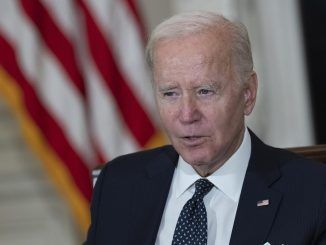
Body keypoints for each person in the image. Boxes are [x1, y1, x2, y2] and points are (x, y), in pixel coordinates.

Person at [85, 11, 326, 245]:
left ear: (248, 94)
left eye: (205, 91)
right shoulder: (118, 184)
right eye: (170, 93)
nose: (187, 114)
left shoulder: (314, 194)